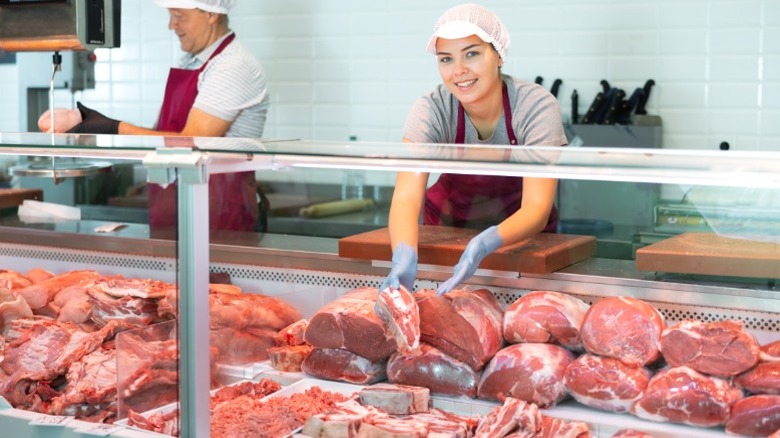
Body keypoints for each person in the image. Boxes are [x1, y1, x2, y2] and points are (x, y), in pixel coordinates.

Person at [381, 3, 567, 295]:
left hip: (520, 241)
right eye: (446, 59)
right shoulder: (432, 109)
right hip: (446, 233)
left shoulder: (535, 106)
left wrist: (484, 243)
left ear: (499, 56)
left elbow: (536, 207)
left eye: (472, 53)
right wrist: (403, 254)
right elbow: (406, 197)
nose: (459, 71)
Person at [52, 0, 270, 231]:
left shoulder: (232, 66)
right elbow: (162, 134)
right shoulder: (191, 61)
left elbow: (191, 141)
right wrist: (100, 128)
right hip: (176, 202)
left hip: (218, 211)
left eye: (179, 15)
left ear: (211, 15)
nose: (171, 25)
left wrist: (110, 126)